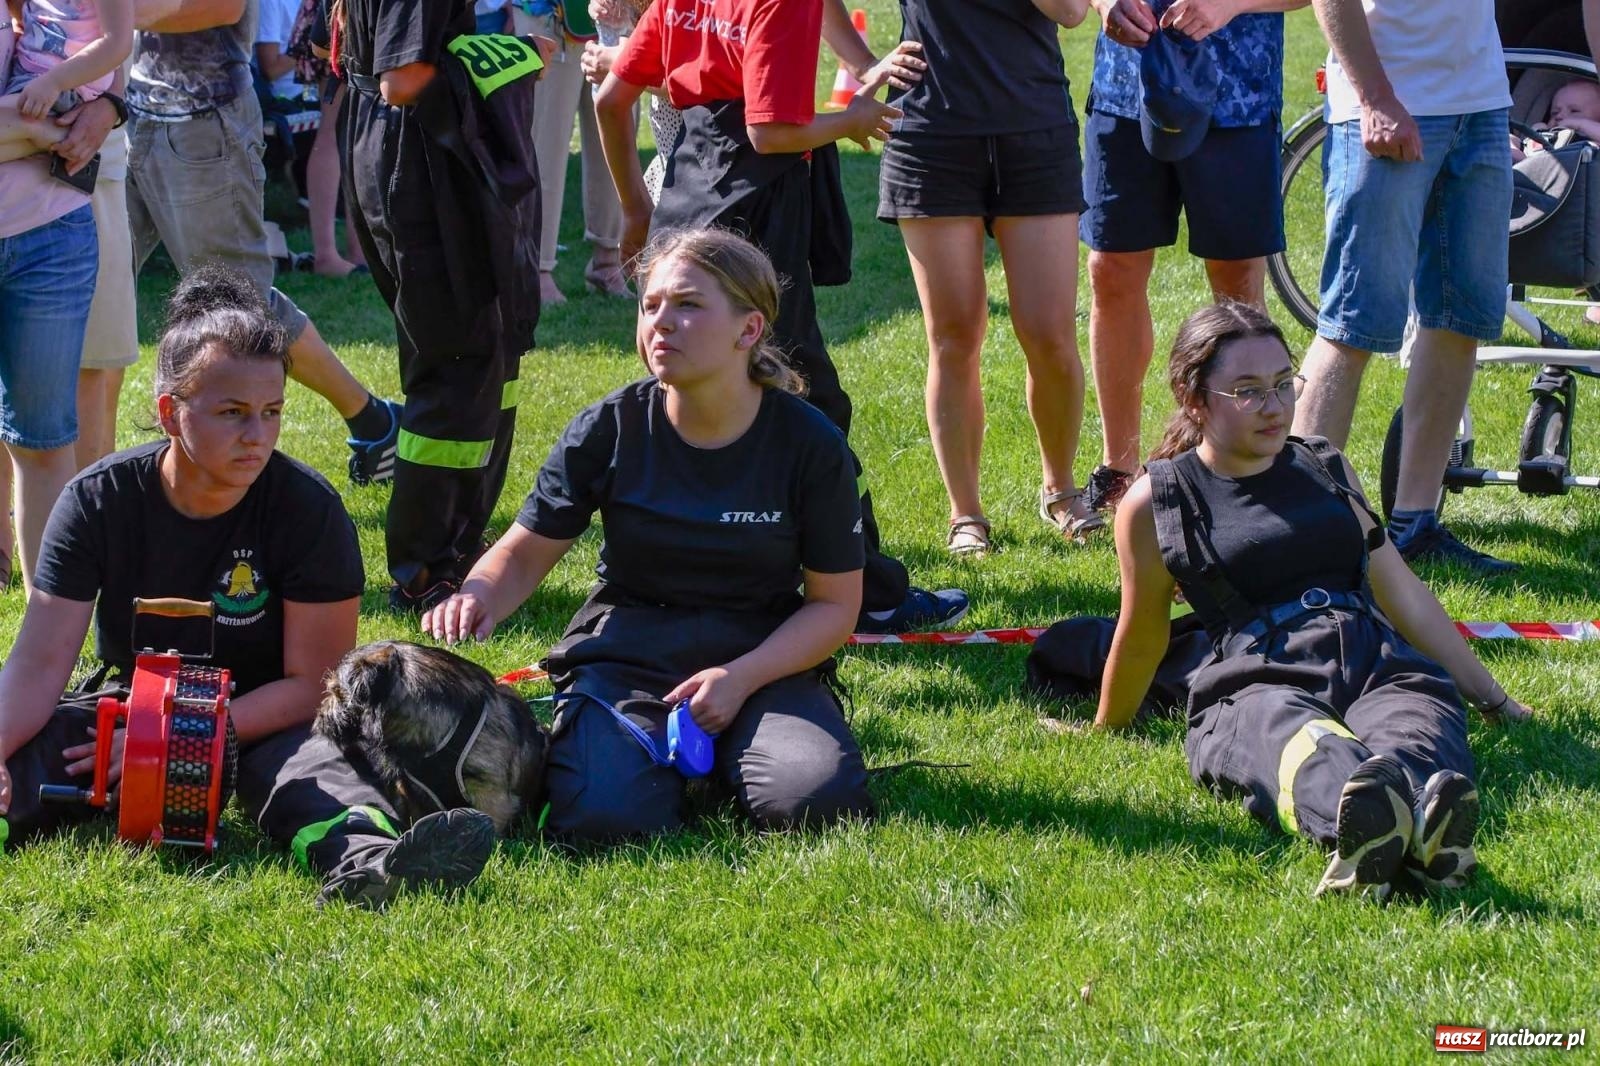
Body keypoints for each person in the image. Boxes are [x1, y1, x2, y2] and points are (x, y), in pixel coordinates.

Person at [0, 268, 496, 908]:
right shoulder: (97, 501)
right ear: (170, 413)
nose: (257, 436)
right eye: (232, 413)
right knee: (41, 751)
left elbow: (315, 682)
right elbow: (38, 668)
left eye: (271, 412)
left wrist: (189, 736)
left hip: (267, 716)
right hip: (136, 710)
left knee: (310, 772)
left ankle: (374, 861)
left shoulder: (308, 510)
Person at [423, 229, 874, 841]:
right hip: (628, 653)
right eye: (651, 304)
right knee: (604, 821)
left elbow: (834, 606)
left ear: (749, 330)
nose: (661, 322)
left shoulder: (811, 445)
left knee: (816, 803)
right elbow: (524, 553)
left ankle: (733, 748)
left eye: (688, 305)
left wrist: (741, 678)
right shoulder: (608, 427)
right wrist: (477, 594)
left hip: (762, 653)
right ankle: (647, 753)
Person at [1096, 302, 1531, 896]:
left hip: (1374, 658)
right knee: (1297, 739)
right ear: (1194, 399)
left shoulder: (1325, 464)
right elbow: (1144, 630)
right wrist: (1107, 727)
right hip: (1255, 680)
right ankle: (1385, 828)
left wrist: (1494, 699)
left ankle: (1411, 822)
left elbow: (1400, 589)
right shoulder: (1159, 500)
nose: (1275, 406)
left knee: (1415, 720)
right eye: (1248, 392)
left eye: (1283, 383)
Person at [595, 0, 970, 634]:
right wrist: (850, 119)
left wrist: (635, 209)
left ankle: (677, 579)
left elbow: (611, 99)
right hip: (753, 221)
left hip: (683, 204)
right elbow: (770, 133)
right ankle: (870, 595)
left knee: (688, 404)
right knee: (811, 406)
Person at [123, 0, 401, 486]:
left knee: (243, 308)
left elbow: (222, 6)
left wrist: (109, 14)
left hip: (203, 124)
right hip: (125, 117)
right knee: (83, 295)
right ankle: (73, 478)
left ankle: (373, 421)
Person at [329, 0, 542, 610]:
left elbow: (329, 45)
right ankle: (428, 568)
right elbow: (404, 80)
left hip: (397, 146)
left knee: (483, 352)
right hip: (421, 158)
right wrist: (518, 54)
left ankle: (458, 542)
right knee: (457, 362)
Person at [1292, 0, 1515, 573]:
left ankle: (1415, 525)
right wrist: (1375, 98)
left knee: (1460, 321)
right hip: (1382, 109)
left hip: (1482, 106)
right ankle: (1297, 531)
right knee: (1353, 325)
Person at [878, 0, 1096, 556]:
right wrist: (861, 62)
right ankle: (966, 514)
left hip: (1034, 128)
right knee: (953, 337)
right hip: (930, 135)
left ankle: (1061, 490)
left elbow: (1071, 12)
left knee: (1049, 335)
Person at [1079, 0, 1305, 517]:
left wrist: (1230, 4)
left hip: (1238, 94)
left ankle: (1246, 462)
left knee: (1237, 285)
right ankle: (1119, 469)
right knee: (1111, 270)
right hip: (1126, 90)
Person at [0, 20, 102, 597]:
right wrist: (38, 130)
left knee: (42, 441)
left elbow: (107, 49)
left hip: (52, 234)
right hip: (51, 212)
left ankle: (48, 633)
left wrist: (107, 105)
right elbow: (59, 119)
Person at [510, 0, 628, 304]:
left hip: (617, 21)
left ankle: (607, 261)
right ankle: (536, 270)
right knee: (545, 149)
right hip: (548, 17)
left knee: (616, 144)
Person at [0, 0, 130, 162]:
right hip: (27, 76)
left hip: (62, 87)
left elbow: (118, 44)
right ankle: (51, 135)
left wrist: (54, 82)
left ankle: (51, 133)